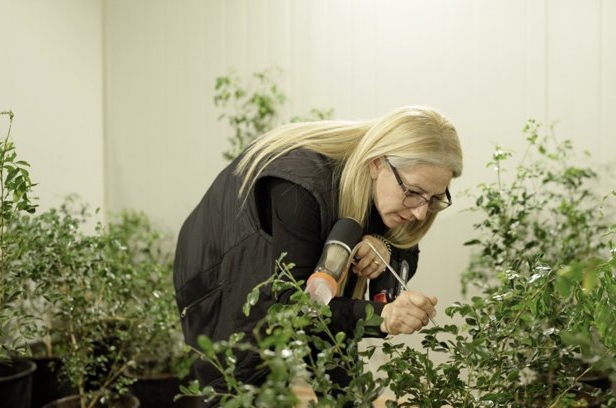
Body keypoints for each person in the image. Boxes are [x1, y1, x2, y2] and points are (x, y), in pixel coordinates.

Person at [173, 105, 463, 395]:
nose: (421, 213)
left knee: (343, 381)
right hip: (223, 271)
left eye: (435, 198)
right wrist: (382, 317)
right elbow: (296, 306)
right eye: (413, 192)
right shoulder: (299, 186)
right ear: (377, 163)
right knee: (243, 387)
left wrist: (383, 246)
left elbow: (405, 248)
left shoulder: (401, 191)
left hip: (300, 284)